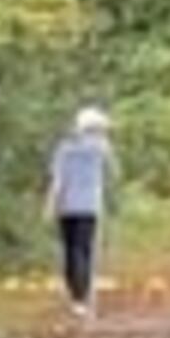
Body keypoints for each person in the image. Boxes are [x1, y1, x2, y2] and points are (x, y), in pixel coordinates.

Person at [45, 107, 113, 320]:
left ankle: (76, 295)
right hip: (90, 207)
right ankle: (82, 297)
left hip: (67, 206)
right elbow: (112, 169)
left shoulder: (64, 149)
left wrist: (50, 205)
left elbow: (58, 181)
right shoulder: (100, 150)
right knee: (84, 250)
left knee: (70, 250)